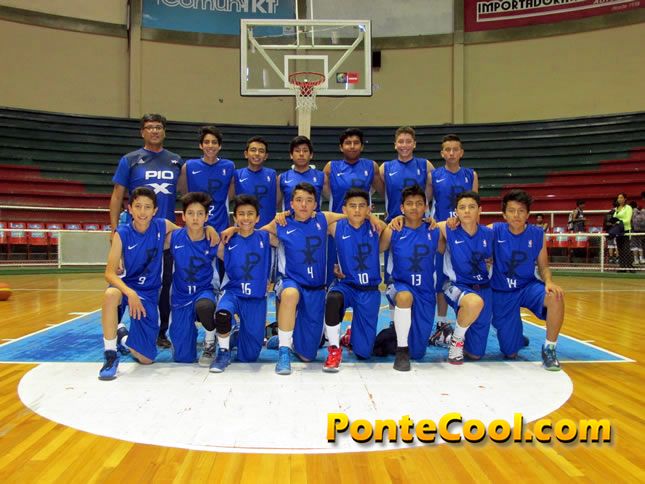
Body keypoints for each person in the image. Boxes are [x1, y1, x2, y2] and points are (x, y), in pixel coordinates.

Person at [99, 187, 216, 380]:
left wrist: (208, 229)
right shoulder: (123, 233)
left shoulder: (162, 226)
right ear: (130, 209)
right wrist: (130, 293)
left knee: (146, 359)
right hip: (127, 288)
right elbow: (109, 274)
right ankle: (110, 356)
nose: (142, 212)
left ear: (155, 210)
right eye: (138, 206)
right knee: (111, 295)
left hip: (148, 293)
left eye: (147, 207)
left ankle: (123, 336)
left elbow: (190, 231)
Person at [256, 182, 357, 375]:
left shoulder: (323, 219)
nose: (304, 204)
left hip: (316, 288)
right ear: (291, 203)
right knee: (290, 294)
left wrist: (373, 217)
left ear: (315, 205)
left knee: (307, 355)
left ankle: (289, 340)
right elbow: (253, 234)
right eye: (299, 200)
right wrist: (233, 230)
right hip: (290, 282)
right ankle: (284, 351)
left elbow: (353, 215)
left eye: (309, 200)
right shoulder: (281, 223)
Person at [109, 113, 184, 349]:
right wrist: (113, 229)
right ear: (142, 132)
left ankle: (161, 332)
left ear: (164, 131)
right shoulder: (130, 160)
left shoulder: (175, 161)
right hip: (136, 234)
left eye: (158, 127)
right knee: (123, 281)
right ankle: (115, 328)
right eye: (150, 127)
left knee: (165, 285)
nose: (154, 131)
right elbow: (117, 196)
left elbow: (185, 194)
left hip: (164, 236)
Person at [490, 190, 565, 370]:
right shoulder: (494, 230)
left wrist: (549, 281)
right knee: (510, 352)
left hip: (527, 286)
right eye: (511, 210)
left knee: (555, 296)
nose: (516, 215)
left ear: (528, 214)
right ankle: (516, 337)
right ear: (504, 214)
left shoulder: (537, 234)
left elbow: (543, 266)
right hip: (502, 292)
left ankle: (549, 349)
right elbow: (471, 231)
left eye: (521, 211)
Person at [323, 188, 386, 372]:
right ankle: (334, 349)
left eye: (361, 206)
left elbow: (393, 227)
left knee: (364, 352)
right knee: (333, 299)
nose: (357, 210)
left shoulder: (377, 228)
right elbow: (320, 216)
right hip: (346, 286)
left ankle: (350, 337)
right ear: (344, 209)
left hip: (369, 290)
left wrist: (371, 217)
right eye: (352, 206)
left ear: (369, 208)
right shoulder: (336, 227)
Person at [209, 195, 273, 372]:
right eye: (241, 214)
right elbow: (206, 239)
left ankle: (236, 335)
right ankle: (223, 352)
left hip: (256, 298)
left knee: (249, 356)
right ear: (235, 217)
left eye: (250, 214)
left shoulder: (265, 237)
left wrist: (235, 228)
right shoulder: (226, 240)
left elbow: (286, 225)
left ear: (258, 218)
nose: (246, 218)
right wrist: (233, 229)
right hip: (233, 293)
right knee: (223, 313)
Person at [381, 184, 441, 371]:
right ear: (402, 207)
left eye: (419, 203)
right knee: (405, 297)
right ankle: (401, 351)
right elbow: (375, 247)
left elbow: (455, 230)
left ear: (425, 207)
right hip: (399, 285)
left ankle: (390, 336)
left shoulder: (434, 230)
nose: (414, 207)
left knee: (418, 352)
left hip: (425, 291)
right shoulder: (394, 230)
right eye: (409, 203)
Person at [429, 134, 478, 346]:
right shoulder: (433, 176)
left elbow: (474, 206)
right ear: (442, 153)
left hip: (464, 233)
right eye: (447, 149)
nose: (451, 153)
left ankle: (467, 319)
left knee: (465, 277)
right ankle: (441, 324)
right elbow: (427, 203)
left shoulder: (471, 175)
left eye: (455, 149)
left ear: (461, 152)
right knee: (440, 279)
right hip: (442, 233)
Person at [437, 191, 492, 364]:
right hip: (455, 285)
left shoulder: (489, 233)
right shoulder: (447, 228)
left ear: (480, 210)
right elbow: (426, 223)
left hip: (483, 287)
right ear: (456, 212)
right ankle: (456, 343)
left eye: (471, 207)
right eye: (462, 207)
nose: (466, 211)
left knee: (475, 354)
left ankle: (451, 336)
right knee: (474, 302)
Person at [323, 128, 384, 284]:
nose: (352, 146)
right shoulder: (331, 167)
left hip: (363, 226)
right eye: (348, 143)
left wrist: (367, 210)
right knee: (335, 272)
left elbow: (383, 191)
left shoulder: (371, 166)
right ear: (341, 147)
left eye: (356, 143)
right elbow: (326, 193)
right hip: (337, 227)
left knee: (360, 267)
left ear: (362, 146)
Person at [179, 126, 236, 288]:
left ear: (220, 146)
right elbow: (185, 195)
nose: (210, 145)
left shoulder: (229, 166)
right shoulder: (189, 166)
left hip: (221, 226)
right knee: (197, 269)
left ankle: (220, 301)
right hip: (196, 227)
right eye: (206, 142)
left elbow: (231, 194)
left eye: (214, 142)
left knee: (224, 271)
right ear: (201, 145)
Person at [168, 192, 220, 365]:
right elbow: (152, 232)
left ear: (206, 217)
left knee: (205, 306)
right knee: (183, 357)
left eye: (200, 214)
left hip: (204, 291)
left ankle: (210, 341)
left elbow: (234, 256)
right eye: (190, 213)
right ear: (183, 216)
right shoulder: (174, 237)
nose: (195, 218)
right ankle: (184, 336)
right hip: (181, 296)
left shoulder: (213, 240)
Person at [233, 137, 278, 227]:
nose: (257, 154)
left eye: (261, 151)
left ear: (266, 156)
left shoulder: (273, 175)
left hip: (267, 229)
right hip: (244, 229)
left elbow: (278, 201)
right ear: (246, 154)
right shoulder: (236, 175)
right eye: (253, 150)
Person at [278, 136, 325, 210]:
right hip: (290, 217)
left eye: (305, 151)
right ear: (291, 155)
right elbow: (276, 204)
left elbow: (334, 199)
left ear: (311, 155)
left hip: (314, 217)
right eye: (297, 151)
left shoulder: (322, 177)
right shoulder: (282, 178)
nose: (301, 154)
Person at [614, 193, 633, 270]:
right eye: (618, 198)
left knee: (626, 249)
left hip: (626, 230)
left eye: (621, 197)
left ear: (625, 199)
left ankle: (630, 266)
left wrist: (618, 222)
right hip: (618, 231)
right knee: (620, 249)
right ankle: (622, 267)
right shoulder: (617, 208)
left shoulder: (628, 208)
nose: (619, 199)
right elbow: (614, 218)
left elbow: (628, 220)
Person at [631, 193, 645, 265]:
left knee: (635, 245)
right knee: (640, 245)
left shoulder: (632, 211)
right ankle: (642, 259)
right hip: (642, 230)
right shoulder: (642, 210)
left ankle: (636, 260)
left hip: (634, 230)